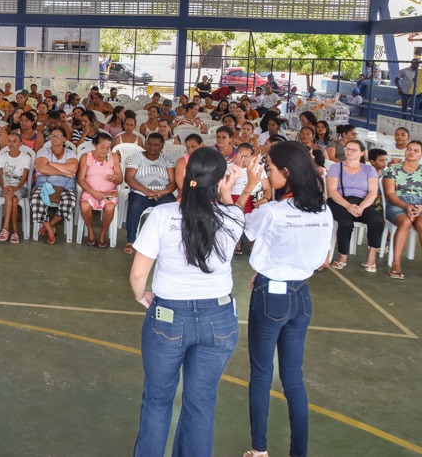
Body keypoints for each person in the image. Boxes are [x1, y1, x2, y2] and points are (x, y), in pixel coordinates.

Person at [129, 147, 243, 457]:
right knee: (201, 401)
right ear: (220, 181)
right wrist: (228, 193)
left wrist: (142, 296)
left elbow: (139, 274)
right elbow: (229, 213)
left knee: (157, 400)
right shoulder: (233, 215)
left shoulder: (162, 215)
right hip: (219, 318)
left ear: (187, 174)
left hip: (169, 316)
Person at [243, 142, 333, 457]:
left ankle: (260, 449)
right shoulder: (324, 209)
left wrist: (257, 189)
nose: (266, 172)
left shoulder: (273, 211)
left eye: (269, 168)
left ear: (286, 172)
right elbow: (323, 259)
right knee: (293, 377)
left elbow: (246, 229)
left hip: (271, 296)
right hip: (301, 295)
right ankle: (299, 452)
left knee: (261, 373)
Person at [325, 139, 384, 272]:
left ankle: (371, 256)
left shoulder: (369, 169)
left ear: (362, 153)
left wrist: (361, 207)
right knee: (345, 222)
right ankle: (342, 255)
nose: (349, 152)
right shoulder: (336, 167)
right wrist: (348, 206)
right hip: (339, 201)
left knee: (377, 220)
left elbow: (373, 192)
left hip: (362, 202)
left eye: (354, 150)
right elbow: (332, 191)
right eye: (347, 149)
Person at [123, 134, 178, 255]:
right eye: (150, 144)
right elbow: (129, 178)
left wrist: (163, 192)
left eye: (156, 145)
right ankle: (131, 240)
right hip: (140, 192)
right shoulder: (135, 157)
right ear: (146, 144)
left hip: (162, 193)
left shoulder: (167, 160)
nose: (152, 147)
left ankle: (167, 241)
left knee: (172, 207)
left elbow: (173, 182)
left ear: (162, 147)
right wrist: (146, 191)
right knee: (135, 206)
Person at [380, 140, 422, 280]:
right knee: (405, 222)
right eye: (409, 149)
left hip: (420, 206)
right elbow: (390, 194)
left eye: (416, 150)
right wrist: (406, 206)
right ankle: (396, 263)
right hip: (398, 204)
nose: (411, 152)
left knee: (421, 224)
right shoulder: (392, 170)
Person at [31, 129, 78, 245]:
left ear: (64, 139)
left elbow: (72, 169)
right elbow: (42, 168)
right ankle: (50, 230)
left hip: (66, 187)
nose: (55, 138)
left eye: (58, 135)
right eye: (53, 135)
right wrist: (63, 171)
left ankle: (49, 225)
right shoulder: (43, 151)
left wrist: (51, 164)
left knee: (69, 202)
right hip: (43, 184)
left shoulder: (70, 153)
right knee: (36, 200)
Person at [78, 132, 122, 248]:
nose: (105, 150)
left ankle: (103, 233)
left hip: (109, 191)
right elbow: (81, 179)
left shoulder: (114, 157)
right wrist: (93, 192)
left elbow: (120, 179)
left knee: (110, 206)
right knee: (84, 206)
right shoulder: (85, 157)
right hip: (90, 191)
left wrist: (115, 178)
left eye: (108, 148)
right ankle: (91, 231)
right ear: (94, 144)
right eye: (102, 147)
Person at [0, 131, 31, 243]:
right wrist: (4, 187)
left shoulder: (26, 158)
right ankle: (15, 231)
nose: (11, 144)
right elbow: (0, 177)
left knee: (11, 195)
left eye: (14, 141)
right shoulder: (2, 156)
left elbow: (24, 178)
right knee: (14, 200)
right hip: (6, 187)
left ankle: (5, 227)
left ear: (21, 143)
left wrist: (15, 188)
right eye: (9, 141)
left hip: (21, 187)